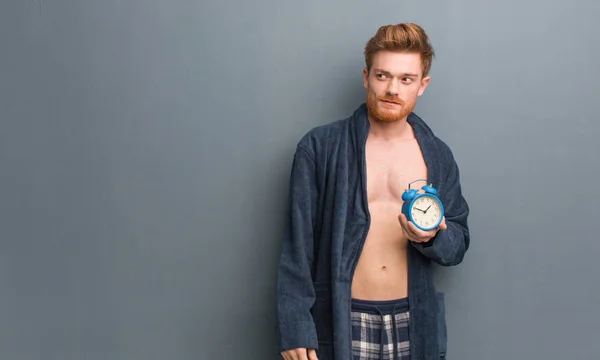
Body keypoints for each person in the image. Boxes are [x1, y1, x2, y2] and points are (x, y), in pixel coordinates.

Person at [276, 23, 470, 360]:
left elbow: (458, 243)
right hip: (343, 319)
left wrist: (431, 238)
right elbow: (298, 247)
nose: (393, 88)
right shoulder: (320, 148)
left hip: (415, 319)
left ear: (422, 85)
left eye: (406, 79)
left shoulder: (437, 155)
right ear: (367, 77)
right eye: (383, 76)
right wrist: (294, 326)